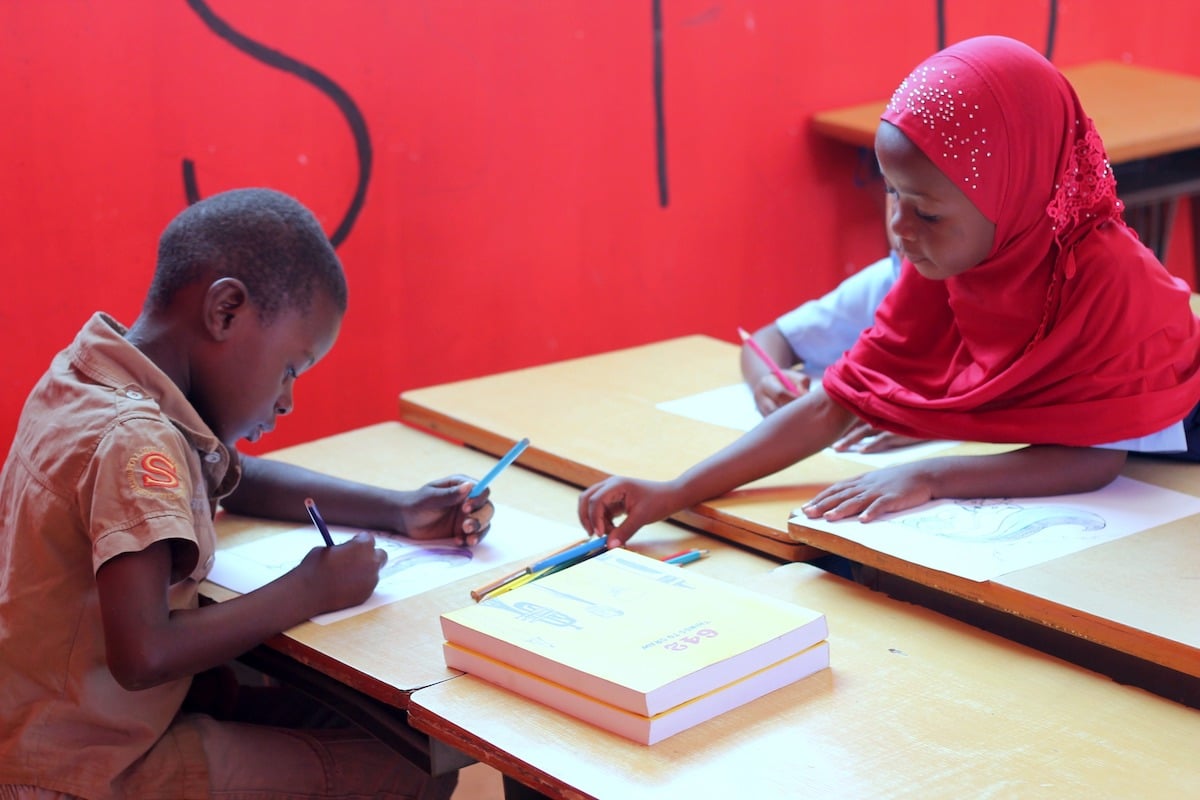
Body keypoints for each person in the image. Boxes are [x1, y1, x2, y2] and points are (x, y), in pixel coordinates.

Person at [580, 35, 1200, 546]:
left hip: (1169, 459)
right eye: (891, 195)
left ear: (1016, 200)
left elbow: (1094, 458)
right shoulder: (944, 272)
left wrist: (929, 473)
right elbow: (834, 403)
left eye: (927, 213)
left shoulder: (1110, 283)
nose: (901, 230)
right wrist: (674, 491)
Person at [0, 188, 491, 799]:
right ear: (225, 310)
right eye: (290, 368)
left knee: (363, 724)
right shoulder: (134, 440)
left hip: (52, 729)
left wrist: (398, 508)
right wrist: (312, 587)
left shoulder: (96, 375)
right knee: (411, 773)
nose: (286, 400)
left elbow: (238, 476)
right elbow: (144, 653)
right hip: (83, 772)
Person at [740, 194, 922, 453]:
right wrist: (768, 383)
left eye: (927, 205)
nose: (898, 222)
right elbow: (771, 337)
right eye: (893, 191)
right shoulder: (885, 281)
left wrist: (935, 422)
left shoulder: (992, 300)